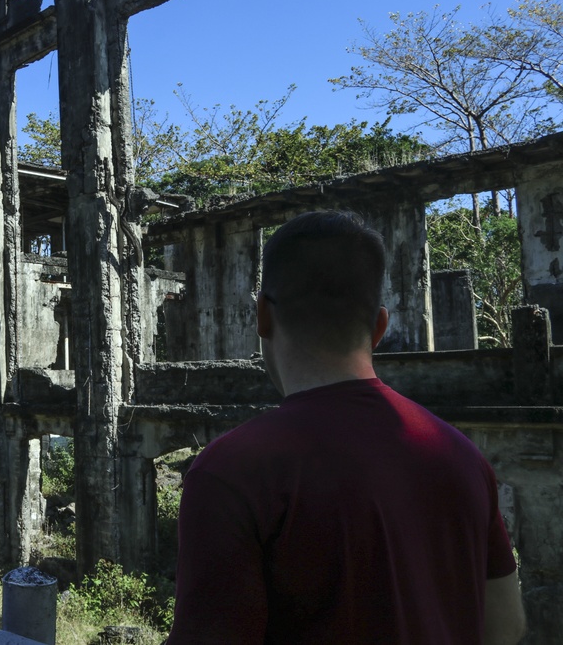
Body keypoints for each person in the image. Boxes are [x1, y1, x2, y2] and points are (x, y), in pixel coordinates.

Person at [167, 211, 526, 644]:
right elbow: (506, 627)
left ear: (262, 316)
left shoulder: (231, 472)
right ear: (379, 327)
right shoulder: (461, 455)